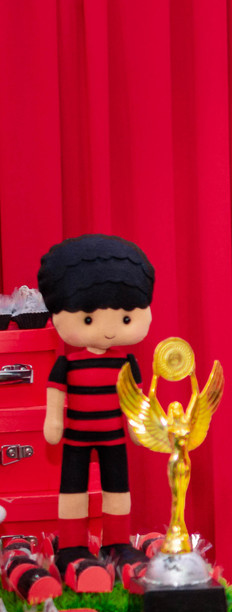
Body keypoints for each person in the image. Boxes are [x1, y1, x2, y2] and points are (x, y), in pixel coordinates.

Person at [38, 233, 155, 593]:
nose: (107, 330)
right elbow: (56, 396)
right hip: (76, 437)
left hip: (114, 437)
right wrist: (53, 421)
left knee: (117, 489)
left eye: (125, 318)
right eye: (88, 319)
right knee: (72, 489)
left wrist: (138, 425)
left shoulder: (127, 364)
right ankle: (72, 546)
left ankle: (116, 543)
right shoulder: (67, 363)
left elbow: (134, 398)